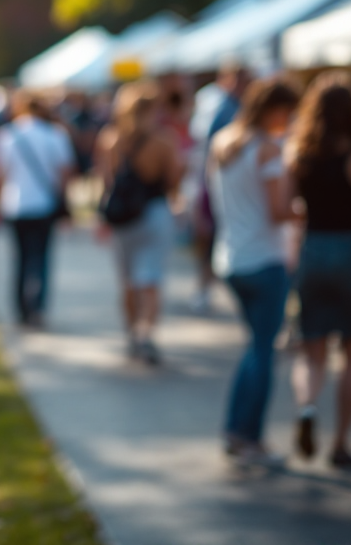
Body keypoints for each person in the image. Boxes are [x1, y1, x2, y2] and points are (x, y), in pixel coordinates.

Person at [287, 72, 351, 470]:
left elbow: (290, 207)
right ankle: (341, 443)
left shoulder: (299, 152)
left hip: (313, 250)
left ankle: (308, 407)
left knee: (311, 352)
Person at [207, 78, 301, 467]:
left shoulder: (225, 142)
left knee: (255, 348)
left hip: (232, 256)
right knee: (262, 350)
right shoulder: (266, 149)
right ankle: (248, 437)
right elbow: (279, 210)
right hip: (264, 258)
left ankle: (237, 431)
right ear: (274, 110)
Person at [96, 82, 183, 364]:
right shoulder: (164, 140)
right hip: (154, 213)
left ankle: (133, 332)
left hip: (123, 217)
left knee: (129, 281)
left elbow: (106, 182)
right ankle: (146, 335)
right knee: (151, 280)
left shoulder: (110, 139)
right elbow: (172, 182)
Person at [0, 91, 75, 326]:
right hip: (44, 204)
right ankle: (37, 306)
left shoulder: (7, 134)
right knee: (41, 258)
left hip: (14, 204)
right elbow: (65, 173)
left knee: (19, 258)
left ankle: (20, 308)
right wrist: (64, 203)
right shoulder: (55, 135)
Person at [192, 64, 253, 313]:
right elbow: (212, 150)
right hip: (220, 183)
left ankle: (207, 287)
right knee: (212, 237)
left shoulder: (233, 106)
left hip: (225, 182)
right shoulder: (223, 108)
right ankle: (205, 287)